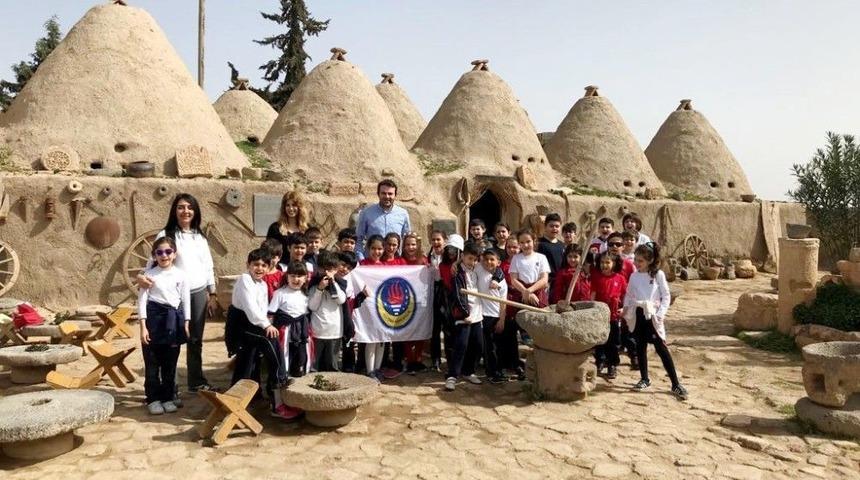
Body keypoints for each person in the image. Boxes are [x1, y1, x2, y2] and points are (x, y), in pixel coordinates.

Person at [138, 193, 216, 395]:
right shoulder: (167, 234)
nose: (185, 211)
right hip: (173, 297)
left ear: (195, 211)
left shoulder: (200, 236)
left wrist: (212, 292)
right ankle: (169, 386)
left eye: (189, 207)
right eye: (181, 207)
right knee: (170, 340)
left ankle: (195, 380)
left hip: (198, 293)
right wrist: (141, 278)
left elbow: (208, 265)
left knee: (195, 338)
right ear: (175, 210)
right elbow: (151, 262)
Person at [227, 248, 289, 417]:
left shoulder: (261, 284)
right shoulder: (245, 279)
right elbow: (250, 308)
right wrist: (266, 326)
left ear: (269, 267)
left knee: (248, 361)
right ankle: (279, 387)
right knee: (271, 343)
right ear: (248, 265)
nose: (260, 268)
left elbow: (261, 308)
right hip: (242, 326)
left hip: (254, 324)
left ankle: (245, 398)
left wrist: (266, 323)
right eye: (256, 264)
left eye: (264, 265)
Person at [623, 243, 688, 400]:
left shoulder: (657, 275)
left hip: (652, 315)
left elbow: (665, 296)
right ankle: (645, 378)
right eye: (636, 260)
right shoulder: (634, 275)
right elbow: (629, 294)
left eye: (641, 261)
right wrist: (626, 308)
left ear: (650, 260)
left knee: (661, 348)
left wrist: (660, 314)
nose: (637, 264)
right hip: (639, 314)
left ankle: (675, 383)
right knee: (640, 346)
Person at [139, 237, 190, 415]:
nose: (164, 255)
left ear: (174, 254)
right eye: (159, 252)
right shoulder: (149, 276)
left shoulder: (180, 275)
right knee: (152, 361)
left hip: (173, 320)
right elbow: (142, 301)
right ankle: (153, 398)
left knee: (170, 362)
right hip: (154, 319)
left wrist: (186, 322)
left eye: (168, 251)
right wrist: (143, 327)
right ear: (154, 255)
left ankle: (168, 397)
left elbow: (186, 300)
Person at [267, 260, 309, 419]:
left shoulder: (305, 295)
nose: (296, 279)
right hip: (283, 336)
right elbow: (270, 315)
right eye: (293, 275)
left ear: (305, 278)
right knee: (280, 368)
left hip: (301, 336)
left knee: (298, 367)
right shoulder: (280, 293)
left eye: (300, 276)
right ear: (287, 276)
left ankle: (295, 402)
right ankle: (278, 405)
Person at [445, 243, 485, 391]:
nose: (472, 262)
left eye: (475, 259)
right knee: (461, 345)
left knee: (478, 344)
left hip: (477, 314)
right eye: (469, 258)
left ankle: (469, 371)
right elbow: (457, 295)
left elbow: (497, 271)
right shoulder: (457, 273)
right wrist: (465, 314)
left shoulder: (478, 269)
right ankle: (452, 375)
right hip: (463, 314)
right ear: (462, 256)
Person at [308, 251, 347, 372]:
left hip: (334, 332)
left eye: (330, 269)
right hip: (317, 332)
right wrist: (320, 289)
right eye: (323, 269)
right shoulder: (314, 285)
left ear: (335, 269)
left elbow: (341, 300)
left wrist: (333, 283)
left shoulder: (340, 284)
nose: (326, 273)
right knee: (315, 367)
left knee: (332, 366)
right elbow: (312, 306)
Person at [590, 252, 627, 379]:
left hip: (614, 316)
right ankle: (600, 361)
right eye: (602, 262)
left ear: (614, 263)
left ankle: (612, 364)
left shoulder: (620, 278)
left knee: (613, 341)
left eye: (607, 262)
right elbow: (593, 295)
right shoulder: (597, 278)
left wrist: (623, 308)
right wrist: (592, 309)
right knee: (600, 340)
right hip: (600, 315)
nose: (604, 265)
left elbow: (625, 296)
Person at [356, 179, 412, 260]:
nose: (387, 197)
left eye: (390, 194)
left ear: (395, 195)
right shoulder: (366, 213)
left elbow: (407, 240)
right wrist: (362, 260)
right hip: (371, 262)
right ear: (378, 194)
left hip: (394, 262)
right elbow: (358, 239)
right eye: (383, 193)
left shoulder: (403, 214)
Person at [432, 234, 463, 372]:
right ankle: (451, 363)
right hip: (448, 301)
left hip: (462, 301)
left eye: (454, 250)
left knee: (461, 333)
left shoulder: (464, 265)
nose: (451, 252)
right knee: (448, 332)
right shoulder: (443, 265)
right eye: (449, 249)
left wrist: (458, 264)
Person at [478, 248, 508, 384]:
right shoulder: (478, 270)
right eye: (486, 259)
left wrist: (502, 320)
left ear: (498, 262)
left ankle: (498, 370)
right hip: (482, 315)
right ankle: (491, 373)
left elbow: (503, 302)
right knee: (488, 347)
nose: (488, 262)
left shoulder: (501, 281)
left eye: (492, 260)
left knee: (498, 346)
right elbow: (466, 261)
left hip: (496, 316)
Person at [402, 232, 429, 374]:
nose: (410, 247)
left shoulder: (424, 260)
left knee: (420, 330)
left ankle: (418, 359)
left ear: (417, 245)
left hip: (420, 300)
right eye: (407, 244)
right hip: (405, 301)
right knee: (407, 331)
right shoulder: (400, 261)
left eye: (413, 244)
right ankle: (409, 359)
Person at [497, 238, 524, 379]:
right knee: (506, 334)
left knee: (516, 336)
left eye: (515, 247)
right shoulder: (503, 266)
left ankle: (515, 363)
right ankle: (503, 364)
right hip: (506, 303)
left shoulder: (524, 264)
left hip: (521, 303)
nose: (512, 250)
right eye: (509, 247)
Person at [509, 230, 551, 308]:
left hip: (538, 292)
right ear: (519, 243)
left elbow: (544, 279)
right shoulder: (516, 258)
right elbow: (513, 280)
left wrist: (529, 291)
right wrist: (525, 292)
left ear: (534, 241)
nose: (525, 245)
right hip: (521, 293)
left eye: (528, 241)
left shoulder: (541, 257)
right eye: (522, 242)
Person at [266, 190, 310, 255]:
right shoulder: (275, 228)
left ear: (300, 207)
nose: (291, 208)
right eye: (287, 205)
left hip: (302, 264)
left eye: (294, 205)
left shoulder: (308, 228)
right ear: (284, 208)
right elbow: (269, 250)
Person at [537, 213, 565, 299]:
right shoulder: (539, 244)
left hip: (560, 283)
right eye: (551, 226)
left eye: (557, 226)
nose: (554, 229)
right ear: (545, 227)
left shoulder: (562, 245)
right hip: (546, 283)